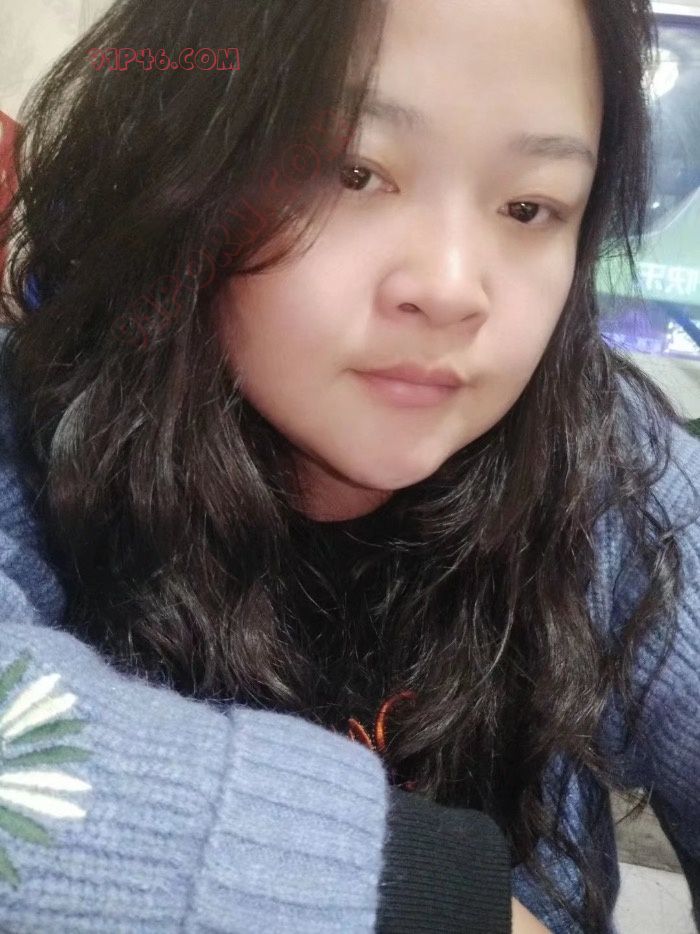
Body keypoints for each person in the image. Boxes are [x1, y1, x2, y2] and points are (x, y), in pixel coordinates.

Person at [0, 0, 698, 932]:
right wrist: (424, 900)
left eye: (529, 207)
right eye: (354, 172)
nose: (451, 288)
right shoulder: (32, 433)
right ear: (182, 160)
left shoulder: (608, 456)